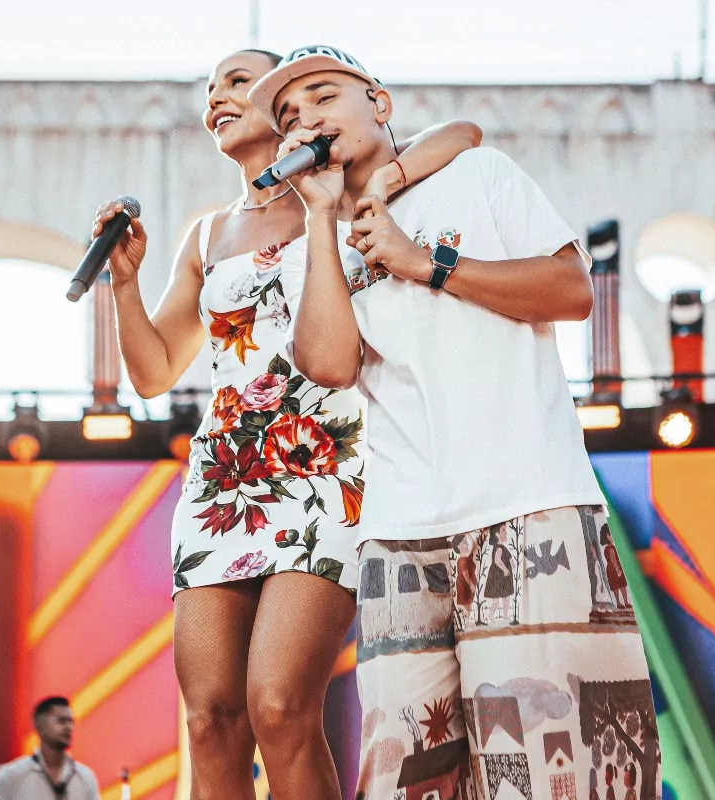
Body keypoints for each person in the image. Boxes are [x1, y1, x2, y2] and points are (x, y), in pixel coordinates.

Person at [251, 45, 660, 799]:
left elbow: (571, 290)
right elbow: (332, 362)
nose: (304, 118)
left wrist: (426, 263)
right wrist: (319, 219)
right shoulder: (314, 251)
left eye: (321, 96)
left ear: (379, 102)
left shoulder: (480, 175)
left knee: (556, 762)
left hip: (527, 505)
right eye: (287, 117)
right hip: (401, 530)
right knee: (408, 774)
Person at [92, 48, 480, 800]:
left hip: (326, 467)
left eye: (238, 83)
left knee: (279, 706)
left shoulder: (347, 186)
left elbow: (462, 134)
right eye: (209, 91)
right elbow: (152, 372)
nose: (217, 99)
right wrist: (125, 285)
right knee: (210, 719)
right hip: (222, 481)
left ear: (287, 103)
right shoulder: (206, 236)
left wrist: (381, 181)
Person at [0, 696, 99, 800]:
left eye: (70, 722)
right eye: (60, 721)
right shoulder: (13, 775)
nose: (68, 727)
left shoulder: (85, 777)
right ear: (40, 726)